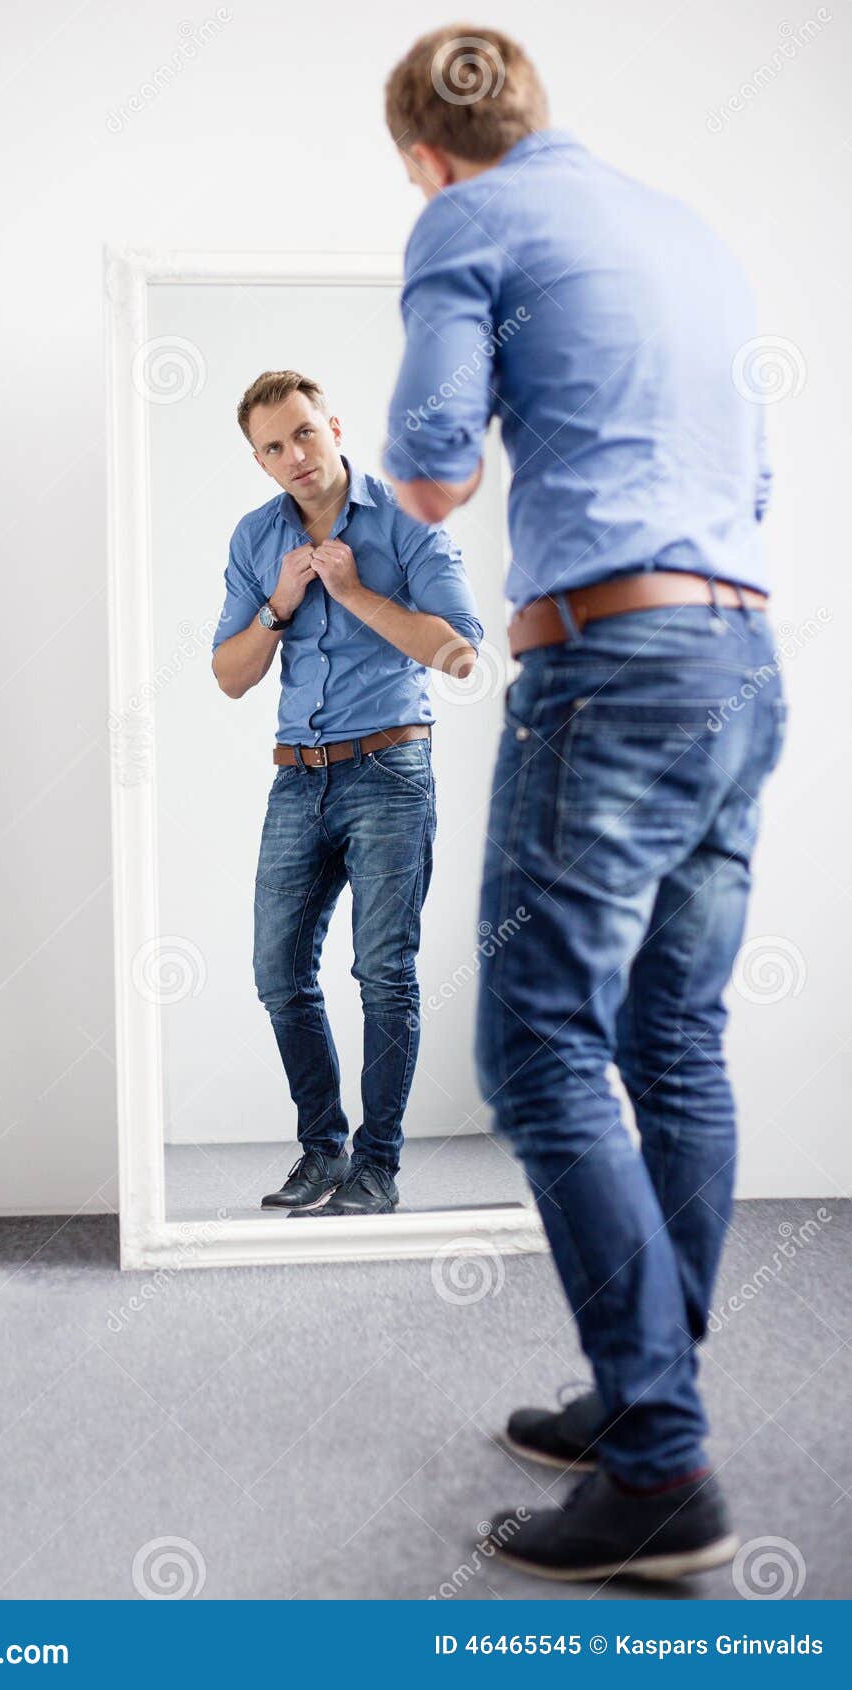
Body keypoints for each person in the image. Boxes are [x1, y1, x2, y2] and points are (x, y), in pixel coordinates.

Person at [381, 25, 787, 1580]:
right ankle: (645, 1400)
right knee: (670, 1036)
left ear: (422, 153)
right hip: (738, 657)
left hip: (605, 665)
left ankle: (659, 1466)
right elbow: (749, 484)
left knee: (537, 1039)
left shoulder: (460, 220)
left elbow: (428, 465)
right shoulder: (680, 229)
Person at [211, 370, 484, 1216]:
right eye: (272, 447)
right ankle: (322, 1152)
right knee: (276, 973)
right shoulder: (256, 540)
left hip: (389, 774)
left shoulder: (406, 522)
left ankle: (378, 1166)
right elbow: (228, 676)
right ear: (258, 462)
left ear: (332, 424)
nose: (294, 455)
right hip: (297, 777)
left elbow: (461, 654)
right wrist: (280, 604)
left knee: (383, 973)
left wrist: (356, 591)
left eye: (302, 433)